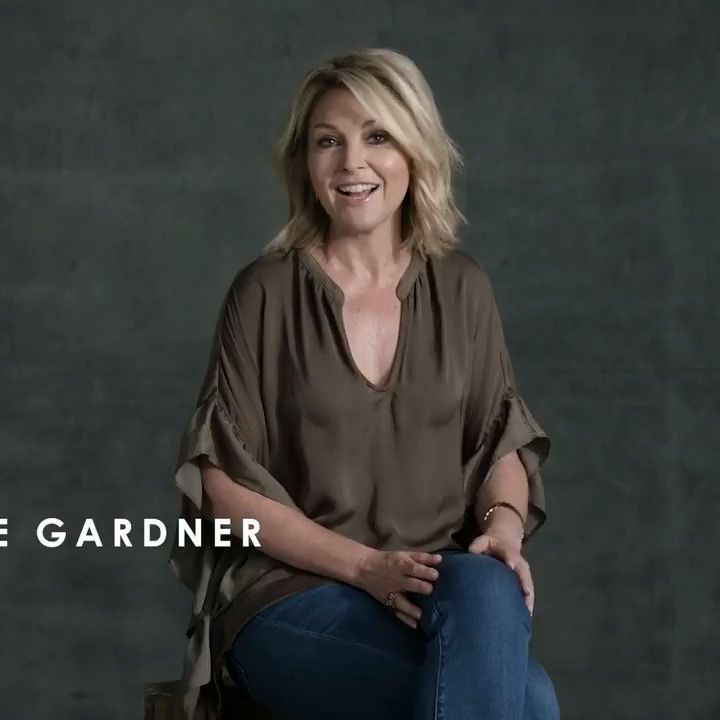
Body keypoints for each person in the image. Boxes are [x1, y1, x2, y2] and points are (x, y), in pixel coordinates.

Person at [169, 48, 560, 720]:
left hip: (429, 587)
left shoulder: (462, 287)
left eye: (377, 137)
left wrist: (503, 529)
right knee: (529, 701)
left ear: (415, 152)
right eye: (329, 141)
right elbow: (223, 488)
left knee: (487, 584)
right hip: (292, 598)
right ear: (305, 162)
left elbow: (500, 442)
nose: (352, 162)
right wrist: (362, 567)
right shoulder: (264, 293)